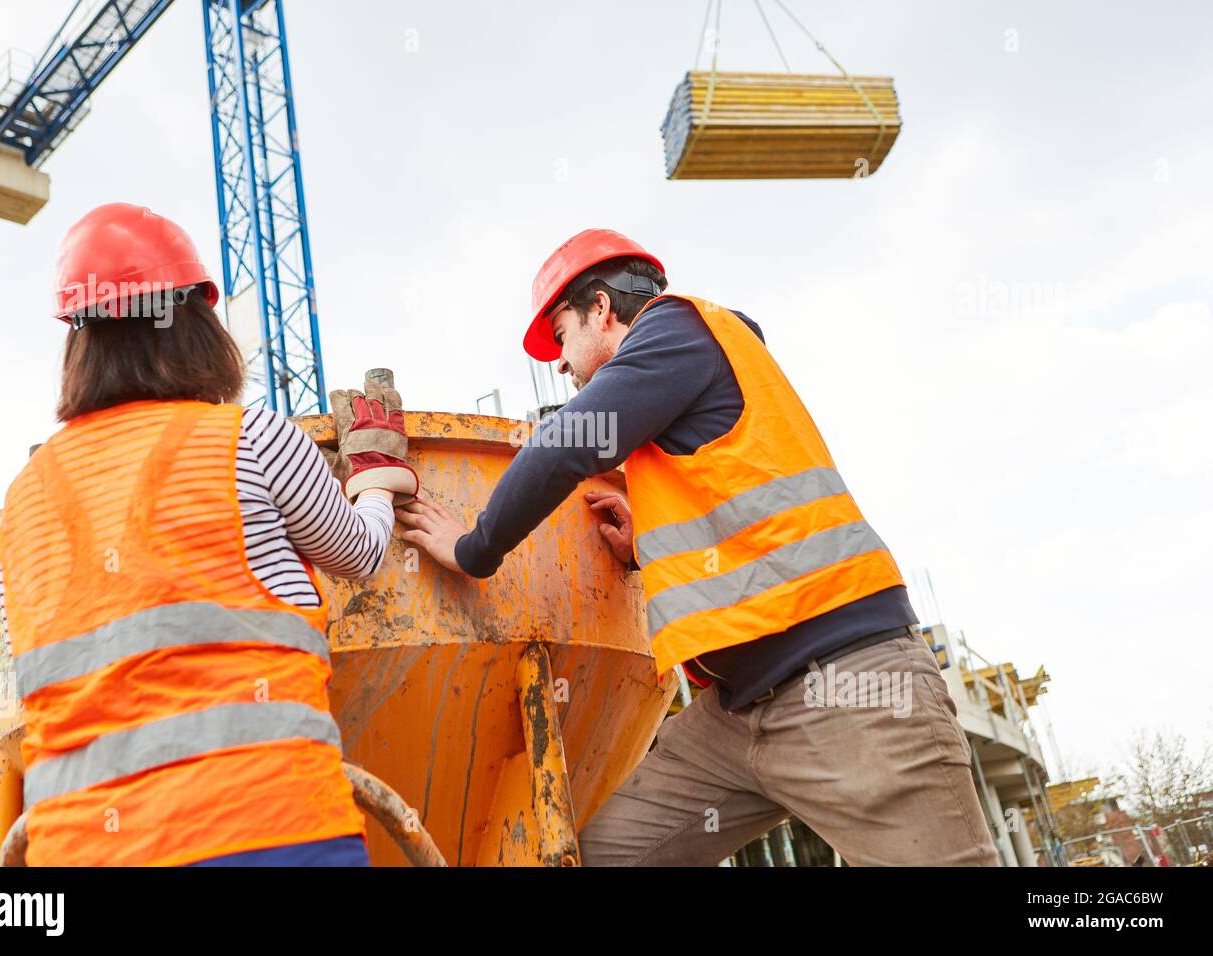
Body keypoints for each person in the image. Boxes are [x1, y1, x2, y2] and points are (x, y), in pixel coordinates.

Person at [397, 228, 1000, 866]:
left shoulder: (677, 329)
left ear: (602, 308)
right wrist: (646, 545)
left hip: (846, 684)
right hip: (734, 717)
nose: (559, 361)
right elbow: (740, 519)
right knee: (595, 859)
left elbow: (565, 444)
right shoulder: (681, 380)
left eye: (563, 333)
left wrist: (473, 548)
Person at [0, 203, 418, 866]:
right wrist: (375, 476)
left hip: (80, 849)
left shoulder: (23, 501)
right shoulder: (249, 438)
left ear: (78, 345)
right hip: (268, 828)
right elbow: (360, 553)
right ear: (195, 327)